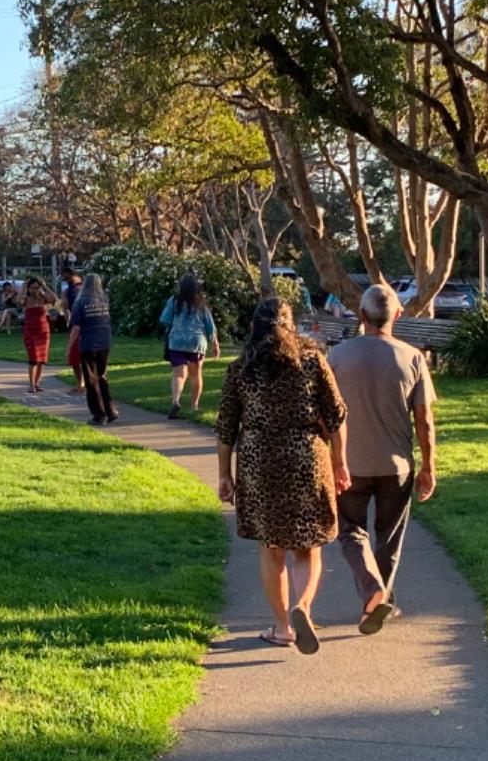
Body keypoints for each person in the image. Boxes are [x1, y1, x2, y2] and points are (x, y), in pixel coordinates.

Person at [216, 298, 350, 654]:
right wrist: (340, 463)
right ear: (293, 326)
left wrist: (224, 476)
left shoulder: (241, 369)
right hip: (307, 456)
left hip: (259, 462)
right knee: (307, 547)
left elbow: (226, 427)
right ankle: (302, 606)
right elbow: (337, 416)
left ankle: (281, 627)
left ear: (253, 328)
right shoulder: (312, 362)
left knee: (271, 549)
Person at [326, 283, 437, 635]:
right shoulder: (413, 357)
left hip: (349, 463)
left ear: (361, 316)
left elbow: (323, 414)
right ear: (398, 315)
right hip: (396, 466)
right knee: (388, 539)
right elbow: (424, 420)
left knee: (349, 531)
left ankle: (373, 592)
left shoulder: (338, 357)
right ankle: (377, 597)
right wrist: (429, 466)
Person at [159, 273, 221, 419]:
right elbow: (210, 327)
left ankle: (175, 401)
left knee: (179, 375)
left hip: (177, 342)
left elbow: (165, 320)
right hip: (197, 342)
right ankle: (194, 405)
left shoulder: (174, 301)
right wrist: (215, 344)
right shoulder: (202, 305)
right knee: (195, 374)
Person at [69, 273, 118, 425]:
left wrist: (69, 347)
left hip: (89, 344)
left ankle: (99, 414)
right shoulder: (104, 300)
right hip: (104, 342)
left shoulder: (80, 302)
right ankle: (110, 410)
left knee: (91, 380)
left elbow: (76, 327)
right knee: (102, 377)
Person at [20, 277, 56, 392]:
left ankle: (37, 383)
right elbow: (19, 301)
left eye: (37, 287)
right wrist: (24, 287)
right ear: (29, 288)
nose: (34, 290)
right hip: (30, 331)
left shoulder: (43, 298)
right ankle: (31, 384)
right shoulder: (26, 299)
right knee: (33, 358)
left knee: (41, 360)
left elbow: (54, 299)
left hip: (43, 331)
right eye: (32, 288)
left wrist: (45, 286)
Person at [60, 268, 85, 394]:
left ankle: (87, 382)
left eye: (69, 278)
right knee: (75, 357)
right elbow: (64, 306)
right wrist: (66, 313)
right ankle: (80, 382)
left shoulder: (84, 290)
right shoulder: (67, 291)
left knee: (87, 355)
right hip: (74, 323)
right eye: (66, 279)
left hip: (86, 326)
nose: (69, 281)